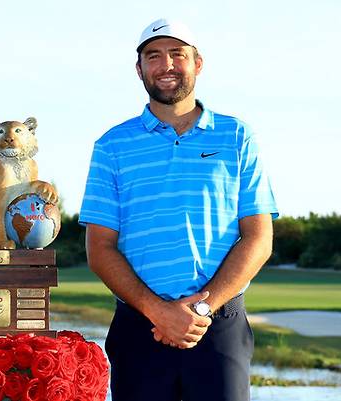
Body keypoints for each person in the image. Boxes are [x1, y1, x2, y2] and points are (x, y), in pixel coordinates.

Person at [79, 19, 278, 401]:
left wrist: (201, 307)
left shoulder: (237, 136)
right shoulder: (112, 145)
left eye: (177, 54)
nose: (166, 65)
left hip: (218, 325)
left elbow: (258, 236)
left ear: (197, 63)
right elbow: (100, 247)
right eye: (153, 56)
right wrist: (158, 312)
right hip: (140, 327)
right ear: (139, 69)